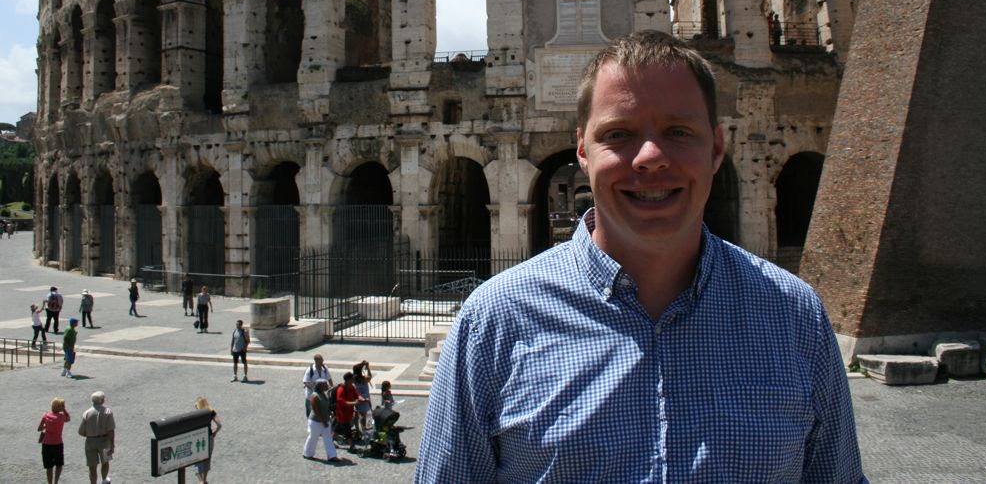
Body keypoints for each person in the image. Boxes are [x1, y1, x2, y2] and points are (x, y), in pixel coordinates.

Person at [416, 31, 866, 483]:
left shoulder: (796, 317)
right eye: (619, 134)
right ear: (582, 151)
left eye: (677, 131)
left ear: (716, 148)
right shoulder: (490, 324)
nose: (650, 157)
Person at [78, 391, 115, 484]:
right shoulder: (107, 412)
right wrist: (112, 444)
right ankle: (104, 480)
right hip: (104, 440)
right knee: (105, 462)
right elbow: (111, 430)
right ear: (102, 400)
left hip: (90, 441)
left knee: (92, 466)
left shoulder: (86, 412)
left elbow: (81, 431)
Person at [303, 379, 340, 462]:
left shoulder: (323, 394)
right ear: (320, 386)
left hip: (325, 419)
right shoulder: (315, 396)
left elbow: (326, 406)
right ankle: (307, 453)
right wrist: (323, 421)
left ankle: (332, 456)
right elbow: (316, 411)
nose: (327, 386)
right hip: (316, 421)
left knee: (328, 438)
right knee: (313, 437)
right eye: (325, 384)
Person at [38, 396, 71, 484]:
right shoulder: (61, 417)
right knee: (59, 464)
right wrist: (64, 410)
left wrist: (46, 426)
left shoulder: (46, 415)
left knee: (49, 467)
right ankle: (56, 482)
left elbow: (39, 428)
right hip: (57, 444)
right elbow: (68, 419)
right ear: (59, 407)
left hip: (46, 444)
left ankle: (50, 483)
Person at [193, 397, 222, 483]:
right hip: (209, 437)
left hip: (199, 439)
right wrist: (215, 432)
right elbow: (219, 425)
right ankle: (205, 480)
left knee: (197, 461)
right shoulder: (211, 411)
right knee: (207, 459)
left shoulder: (197, 414)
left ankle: (200, 481)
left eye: (196, 406)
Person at [302, 354, 333, 418]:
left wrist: (331, 387)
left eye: (322, 360)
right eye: (321, 360)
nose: (322, 361)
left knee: (322, 411)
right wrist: (314, 390)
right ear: (316, 361)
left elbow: (329, 378)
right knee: (311, 413)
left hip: (322, 395)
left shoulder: (324, 368)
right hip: (311, 396)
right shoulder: (310, 370)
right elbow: (305, 382)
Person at [334, 372, 361, 444]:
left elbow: (356, 394)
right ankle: (351, 445)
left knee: (338, 428)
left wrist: (361, 398)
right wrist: (354, 403)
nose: (354, 379)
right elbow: (342, 402)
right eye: (352, 378)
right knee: (347, 430)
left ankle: (331, 440)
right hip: (342, 413)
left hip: (348, 412)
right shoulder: (341, 389)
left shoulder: (351, 386)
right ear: (349, 380)